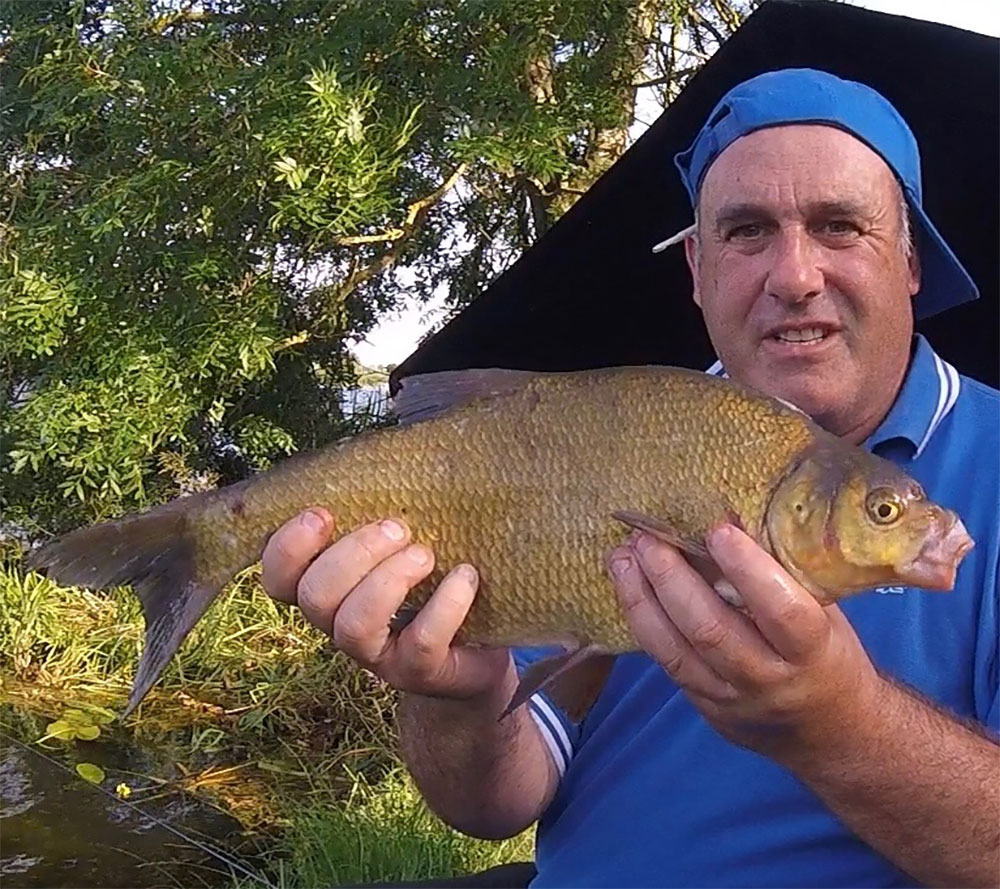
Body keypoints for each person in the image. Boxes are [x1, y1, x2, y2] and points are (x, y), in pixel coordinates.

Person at [259, 69, 999, 887]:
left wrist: (838, 722)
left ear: (911, 258)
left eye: (839, 226)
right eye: (747, 231)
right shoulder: (619, 436)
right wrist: (456, 698)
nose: (794, 276)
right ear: (696, 265)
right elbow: (492, 802)